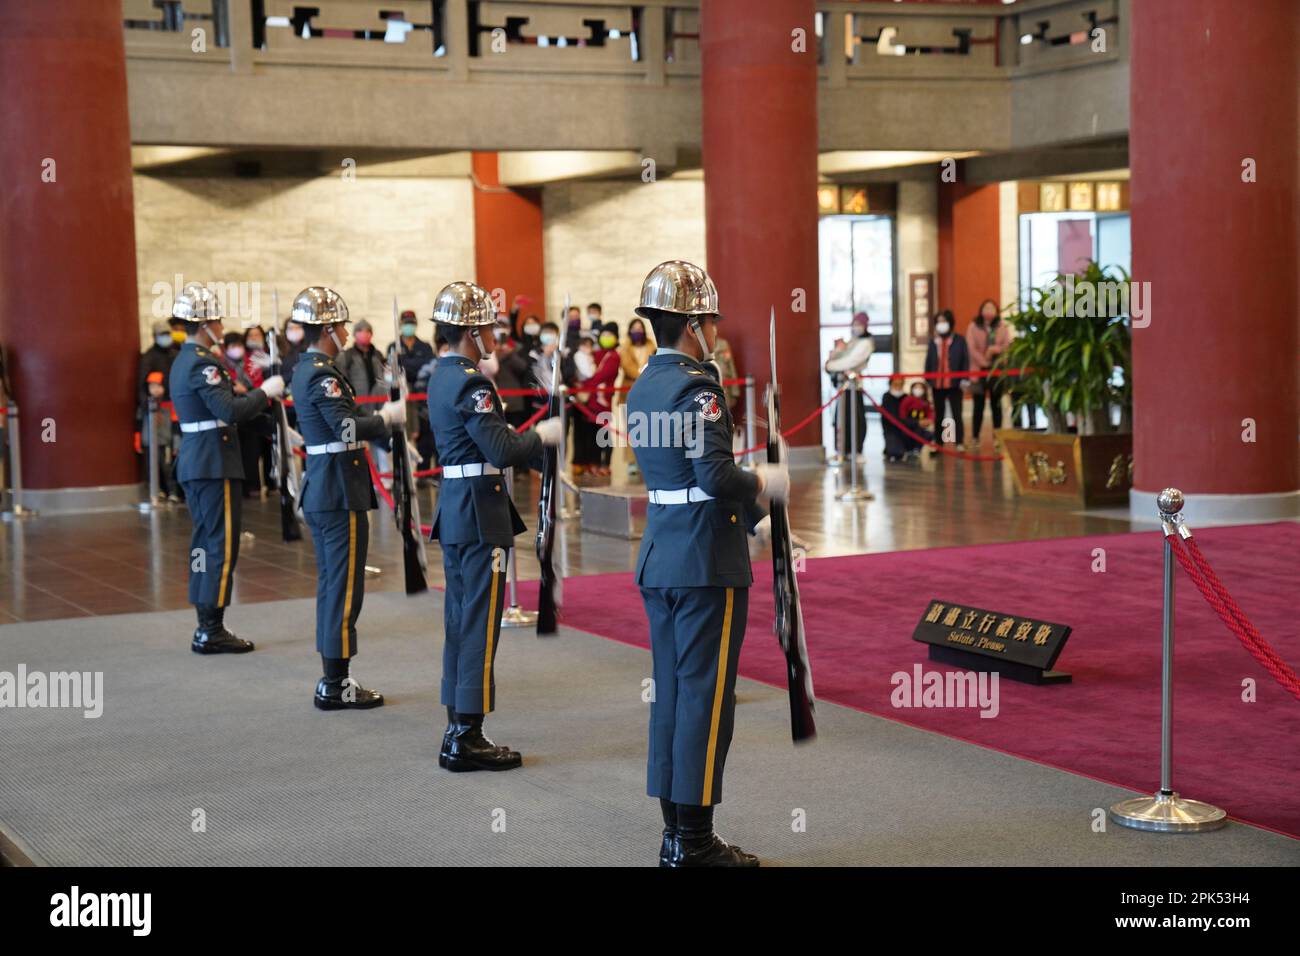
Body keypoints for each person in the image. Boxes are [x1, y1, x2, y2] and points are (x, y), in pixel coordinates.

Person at [627, 260, 787, 867]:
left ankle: (676, 832)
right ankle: (693, 844)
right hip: (703, 562)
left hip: (663, 553)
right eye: (711, 320)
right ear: (694, 325)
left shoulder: (645, 384)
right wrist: (764, 483)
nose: (716, 329)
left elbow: (678, 480)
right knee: (705, 698)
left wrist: (757, 521)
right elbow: (714, 475)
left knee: (672, 693)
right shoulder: (699, 388)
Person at [425, 281, 563, 772]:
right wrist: (540, 436)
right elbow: (500, 450)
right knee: (480, 624)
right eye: (486, 328)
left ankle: (455, 725)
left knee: (460, 621)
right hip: (480, 513)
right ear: (471, 331)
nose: (492, 337)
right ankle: (467, 735)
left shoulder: (442, 374)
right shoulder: (470, 381)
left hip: (460, 508)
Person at [289, 287, 407, 710]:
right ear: (326, 329)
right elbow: (345, 429)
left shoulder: (310, 368)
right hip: (338, 489)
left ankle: (333, 678)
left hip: (329, 485)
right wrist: (385, 420)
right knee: (343, 587)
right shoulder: (322, 373)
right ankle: (336, 683)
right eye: (339, 325)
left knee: (333, 585)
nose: (343, 331)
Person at [167, 283, 284, 654]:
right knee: (221, 543)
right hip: (213, 463)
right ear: (204, 325)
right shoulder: (203, 362)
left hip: (200, 460)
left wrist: (275, 425)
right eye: (216, 319)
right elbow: (229, 411)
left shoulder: (185, 359)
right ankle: (211, 628)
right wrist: (267, 391)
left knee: (206, 541)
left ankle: (206, 622)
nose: (220, 326)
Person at [824, 312, 872, 459]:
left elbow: (852, 361)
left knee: (855, 420)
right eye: (855, 324)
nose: (856, 327)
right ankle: (842, 450)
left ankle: (855, 451)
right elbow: (843, 356)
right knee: (841, 419)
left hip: (854, 387)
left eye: (859, 324)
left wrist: (830, 365)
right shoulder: (852, 341)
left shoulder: (866, 343)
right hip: (842, 388)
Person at [966, 298, 1012, 448]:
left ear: (996, 311)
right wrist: (984, 361)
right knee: (978, 405)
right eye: (986, 308)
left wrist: (994, 350)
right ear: (981, 310)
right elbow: (971, 349)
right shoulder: (973, 327)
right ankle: (975, 437)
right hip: (979, 371)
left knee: (996, 405)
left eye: (992, 308)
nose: (989, 311)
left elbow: (1006, 345)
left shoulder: (1002, 326)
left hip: (996, 370)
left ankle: (997, 437)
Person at [397, 308, 437, 476]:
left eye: (411, 323)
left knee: (425, 434)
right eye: (406, 323)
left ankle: (424, 471)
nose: (409, 327)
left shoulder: (425, 346)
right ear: (400, 324)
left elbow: (429, 365)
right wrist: (415, 366)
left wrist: (408, 365)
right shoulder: (395, 346)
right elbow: (399, 368)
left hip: (423, 396)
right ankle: (403, 471)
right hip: (403, 396)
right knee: (404, 432)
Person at [924, 309, 969, 454]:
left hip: (955, 383)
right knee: (939, 415)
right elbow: (929, 360)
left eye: (944, 321)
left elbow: (965, 360)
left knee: (956, 413)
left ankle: (959, 442)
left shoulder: (959, 340)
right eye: (938, 322)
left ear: (950, 323)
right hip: (937, 384)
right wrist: (928, 378)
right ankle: (939, 442)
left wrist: (965, 379)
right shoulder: (933, 342)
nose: (941, 324)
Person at [880, 374, 910, 462]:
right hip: (891, 428)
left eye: (900, 384)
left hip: (904, 427)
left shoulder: (906, 397)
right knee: (894, 452)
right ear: (890, 384)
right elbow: (888, 417)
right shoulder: (886, 397)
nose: (898, 387)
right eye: (895, 384)